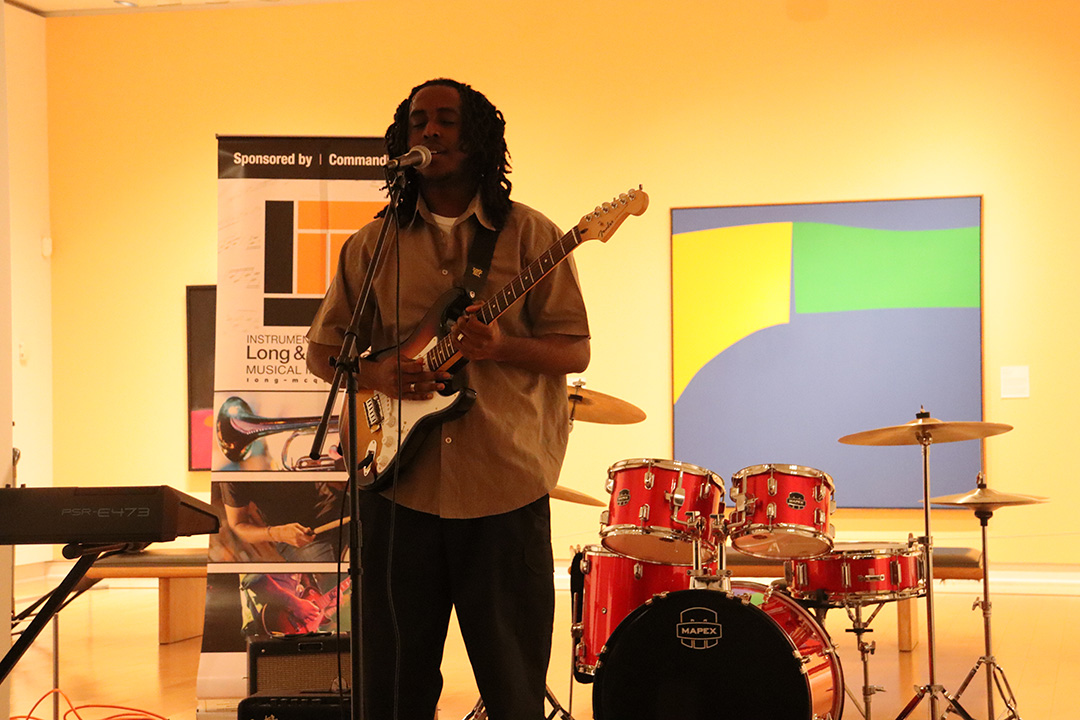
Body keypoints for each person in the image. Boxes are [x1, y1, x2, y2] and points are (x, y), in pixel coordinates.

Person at [305, 78, 590, 720]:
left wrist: (499, 348)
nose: (428, 131)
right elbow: (323, 351)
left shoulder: (531, 235)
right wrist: (377, 375)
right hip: (396, 488)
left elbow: (575, 351)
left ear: (479, 137)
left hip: (505, 482)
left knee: (512, 684)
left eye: (446, 121)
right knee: (392, 684)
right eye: (416, 122)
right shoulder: (371, 245)